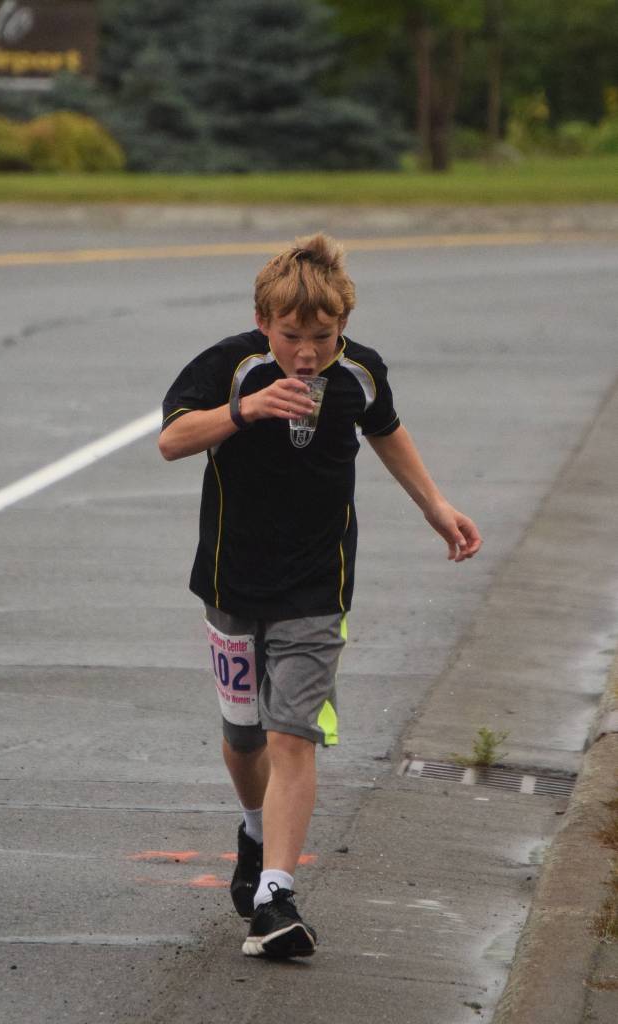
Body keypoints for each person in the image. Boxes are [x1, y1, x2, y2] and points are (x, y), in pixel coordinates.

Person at [158, 233, 481, 960]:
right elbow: (172, 441)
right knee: (243, 737)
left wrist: (434, 506)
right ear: (263, 321)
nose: (306, 353)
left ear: (343, 328)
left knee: (291, 733)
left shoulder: (359, 372)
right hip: (231, 580)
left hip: (316, 585)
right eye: (292, 336)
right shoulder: (232, 365)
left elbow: (385, 429)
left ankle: (275, 896)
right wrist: (245, 411)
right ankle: (252, 831)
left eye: (323, 338)